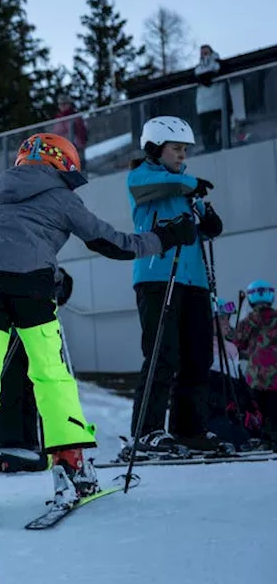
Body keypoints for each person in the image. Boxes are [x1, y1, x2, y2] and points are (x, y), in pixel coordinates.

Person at [0, 133, 196, 521]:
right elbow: (115, 243)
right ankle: (70, 463)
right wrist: (167, 236)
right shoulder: (62, 198)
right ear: (64, 163)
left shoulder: (1, 202)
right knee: (50, 374)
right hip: (30, 286)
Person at [125, 116, 225, 454]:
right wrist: (190, 185)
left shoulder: (186, 186)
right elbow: (152, 188)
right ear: (154, 148)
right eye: (176, 149)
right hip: (157, 275)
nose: (182, 155)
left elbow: (203, 223)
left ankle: (188, 428)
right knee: (162, 354)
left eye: (185, 150)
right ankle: (146, 429)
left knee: (197, 356)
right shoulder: (141, 176)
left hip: (193, 279)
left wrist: (207, 218)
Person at [0, 267, 73, 473]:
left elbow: (62, 281)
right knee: (9, 384)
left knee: (38, 385)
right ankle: (11, 443)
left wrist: (58, 285)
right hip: (6, 326)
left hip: (36, 325)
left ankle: (38, 442)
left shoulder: (36, 243)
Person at [231, 280, 277, 443]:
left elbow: (237, 344)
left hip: (256, 377)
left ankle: (263, 439)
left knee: (259, 410)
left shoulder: (248, 321)